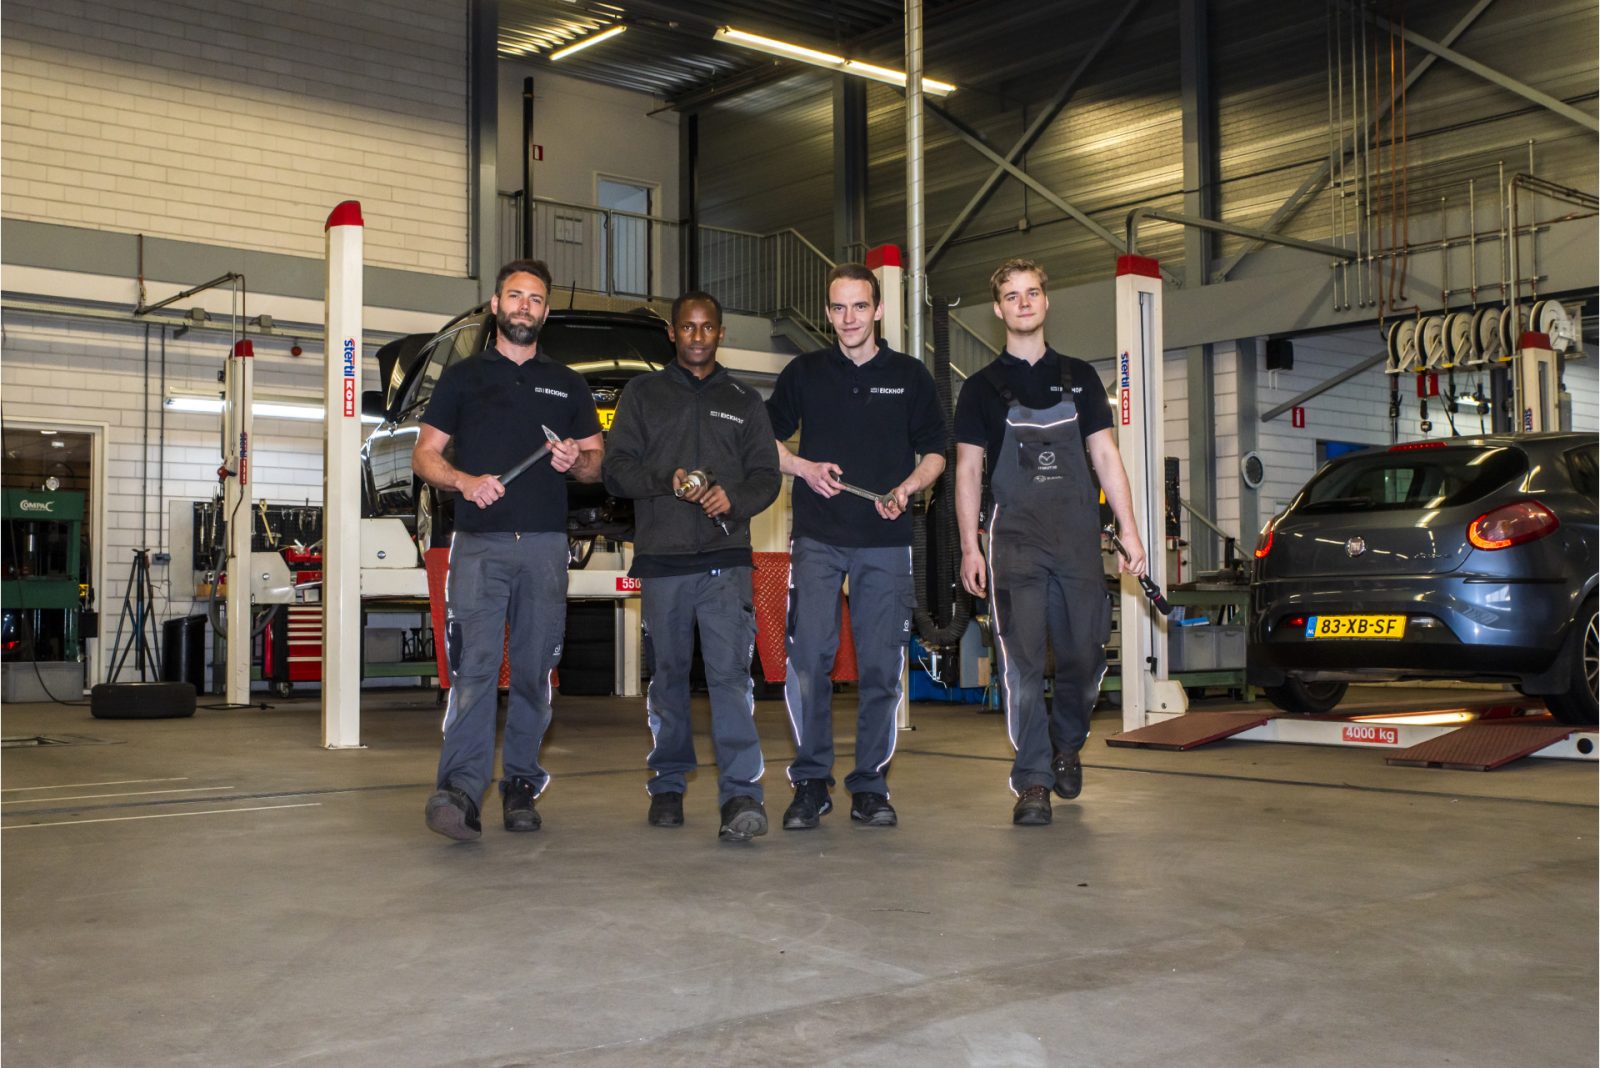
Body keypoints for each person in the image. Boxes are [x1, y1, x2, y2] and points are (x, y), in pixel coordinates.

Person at [953, 258, 1148, 826]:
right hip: (1014, 542)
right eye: (1012, 295)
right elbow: (967, 471)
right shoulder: (980, 390)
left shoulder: (1081, 377)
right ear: (998, 309)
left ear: (1046, 300)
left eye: (1032, 292)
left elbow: (1106, 456)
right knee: (1020, 663)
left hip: (1077, 539)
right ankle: (1033, 779)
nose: (1023, 302)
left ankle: (1067, 743)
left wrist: (1130, 530)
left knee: (1084, 654)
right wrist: (970, 546)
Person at [415, 259, 604, 841]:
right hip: (479, 547)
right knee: (473, 671)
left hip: (545, 547)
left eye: (536, 299)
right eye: (516, 296)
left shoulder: (568, 384)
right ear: (496, 305)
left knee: (533, 672)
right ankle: (459, 791)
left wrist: (578, 460)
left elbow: (598, 464)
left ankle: (521, 784)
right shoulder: (463, 378)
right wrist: (464, 481)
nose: (526, 306)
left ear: (546, 312)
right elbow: (424, 455)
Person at [765, 263, 948, 830]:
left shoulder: (910, 376)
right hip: (817, 538)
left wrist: (908, 488)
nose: (849, 318)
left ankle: (869, 784)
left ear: (878, 310)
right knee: (809, 662)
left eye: (860, 306)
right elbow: (761, 439)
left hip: (885, 543)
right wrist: (802, 467)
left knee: (880, 668)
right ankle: (811, 782)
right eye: (839, 308)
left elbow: (936, 452)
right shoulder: (804, 372)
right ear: (827, 313)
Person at [602, 291, 782, 842]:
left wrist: (735, 498)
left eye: (707, 328)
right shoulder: (643, 394)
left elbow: (767, 475)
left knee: (730, 679)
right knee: (669, 678)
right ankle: (668, 785)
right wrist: (667, 479)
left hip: (725, 564)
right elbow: (615, 470)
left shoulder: (744, 399)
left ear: (721, 333)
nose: (697, 336)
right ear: (673, 333)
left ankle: (741, 795)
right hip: (663, 562)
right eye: (688, 327)